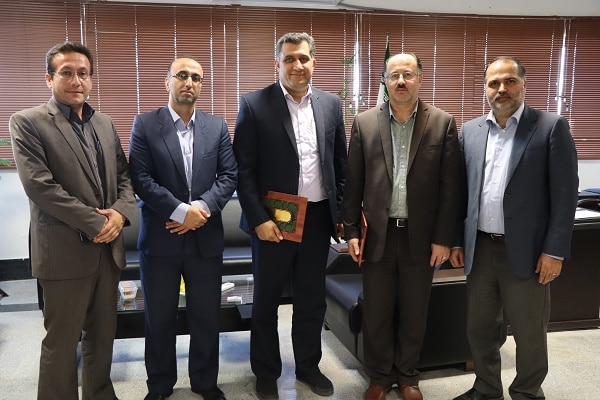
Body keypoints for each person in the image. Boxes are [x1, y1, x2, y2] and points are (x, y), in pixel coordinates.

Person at [9, 41, 136, 400]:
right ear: (49, 78)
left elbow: (124, 177)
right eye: (66, 72)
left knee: (102, 337)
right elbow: (40, 186)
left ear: (91, 79)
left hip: (107, 253)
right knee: (62, 343)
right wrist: (98, 224)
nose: (76, 80)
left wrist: (120, 213)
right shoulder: (28, 122)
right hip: (64, 253)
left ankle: (100, 394)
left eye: (83, 73)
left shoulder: (104, 123)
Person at [449, 56, 579, 400]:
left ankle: (527, 392)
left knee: (529, 331)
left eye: (509, 81)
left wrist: (554, 251)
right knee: (480, 328)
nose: (501, 89)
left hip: (528, 251)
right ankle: (486, 388)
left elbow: (565, 195)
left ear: (523, 84)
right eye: (493, 83)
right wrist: (457, 240)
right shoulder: (471, 131)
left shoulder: (550, 127)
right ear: (485, 89)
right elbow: (462, 192)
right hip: (480, 248)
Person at [233, 32, 347, 400]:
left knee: (312, 299)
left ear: (314, 62)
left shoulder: (331, 104)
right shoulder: (254, 104)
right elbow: (243, 171)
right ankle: (266, 372)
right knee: (266, 300)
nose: (297, 65)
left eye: (303, 58)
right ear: (277, 63)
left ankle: (308, 366)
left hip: (317, 217)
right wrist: (258, 219)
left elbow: (340, 165)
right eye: (289, 59)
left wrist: (341, 213)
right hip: (273, 219)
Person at [342, 53, 461, 400]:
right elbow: (353, 183)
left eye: (408, 74)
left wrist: (443, 239)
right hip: (376, 236)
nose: (401, 82)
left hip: (420, 238)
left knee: (414, 312)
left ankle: (408, 376)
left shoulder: (442, 123)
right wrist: (351, 232)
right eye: (394, 75)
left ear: (420, 79)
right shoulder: (364, 123)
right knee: (376, 312)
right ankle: (379, 377)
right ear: (385, 81)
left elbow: (450, 189)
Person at [128, 57, 237, 400]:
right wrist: (180, 211)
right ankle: (160, 385)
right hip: (161, 239)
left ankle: (205, 382)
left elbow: (229, 175)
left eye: (197, 78)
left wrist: (199, 209)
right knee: (159, 318)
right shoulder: (145, 124)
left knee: (206, 317)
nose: (189, 82)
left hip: (205, 237)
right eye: (182, 75)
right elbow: (141, 179)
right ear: (168, 82)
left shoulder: (216, 126)